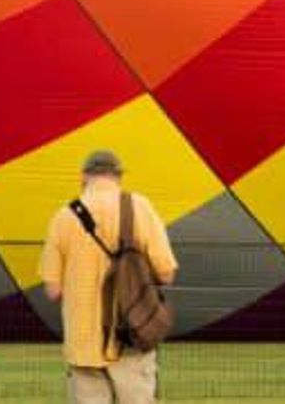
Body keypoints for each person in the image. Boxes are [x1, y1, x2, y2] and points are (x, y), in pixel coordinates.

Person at [40, 150, 178, 404]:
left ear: (83, 176)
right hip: (131, 331)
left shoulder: (63, 217)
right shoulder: (140, 207)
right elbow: (166, 273)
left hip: (82, 340)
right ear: (119, 176)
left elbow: (52, 290)